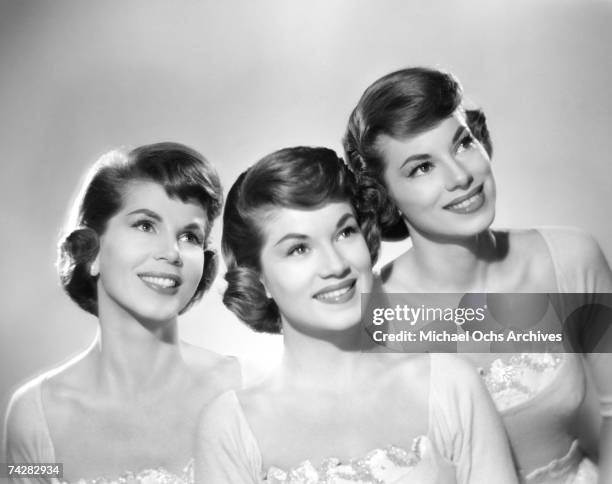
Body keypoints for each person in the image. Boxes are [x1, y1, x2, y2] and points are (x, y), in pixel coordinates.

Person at [343, 66, 612, 483]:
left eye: (463, 143)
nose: (460, 177)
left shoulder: (571, 260)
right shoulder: (372, 320)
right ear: (385, 197)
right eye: (421, 168)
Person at [195, 146, 518, 484]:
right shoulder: (231, 427)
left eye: (345, 232)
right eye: (299, 249)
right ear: (258, 279)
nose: (336, 266)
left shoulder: (450, 386)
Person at [4, 142, 241, 483]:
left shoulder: (241, 387)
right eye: (145, 226)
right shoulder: (34, 414)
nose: (171, 252)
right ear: (92, 249)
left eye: (190, 236)